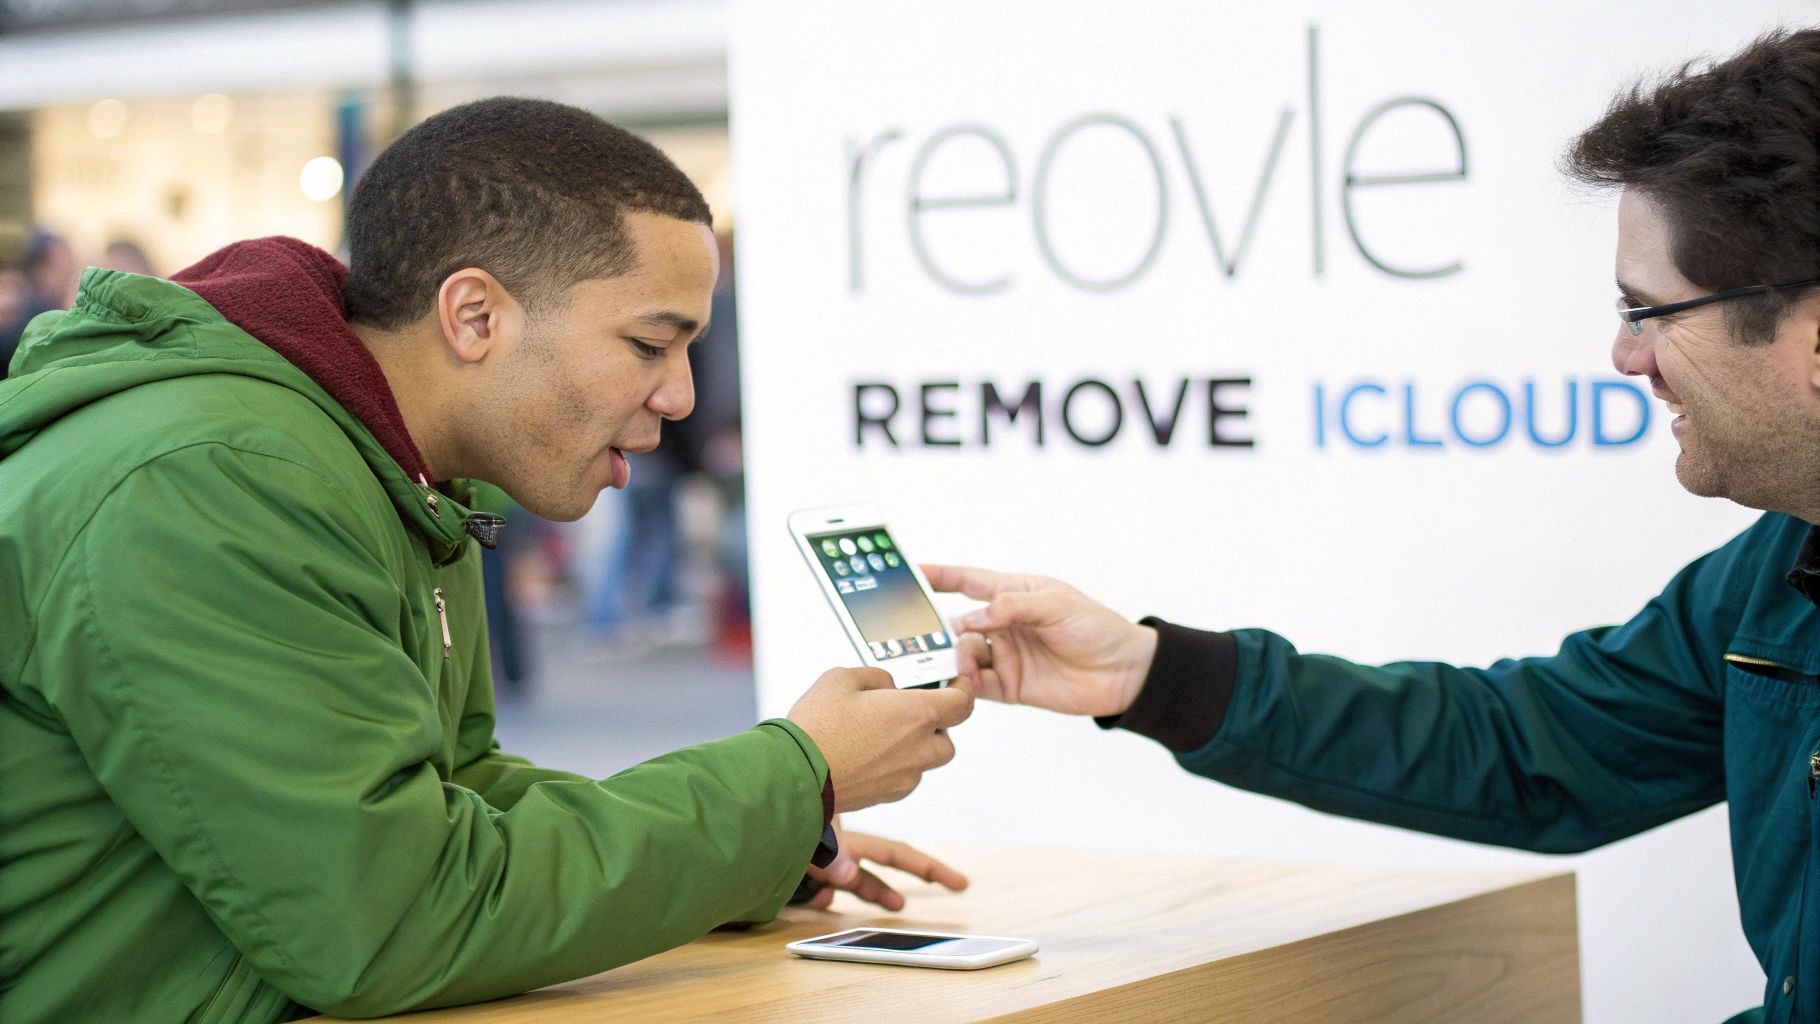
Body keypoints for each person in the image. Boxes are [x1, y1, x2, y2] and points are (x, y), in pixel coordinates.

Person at [0, 98, 973, 1024]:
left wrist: (762, 845)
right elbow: (385, 915)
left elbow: (452, 794)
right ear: (473, 317)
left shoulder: (392, 461)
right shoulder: (207, 481)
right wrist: (784, 784)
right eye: (647, 344)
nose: (678, 395)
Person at [928, 28, 1820, 1024]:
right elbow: (1527, 747)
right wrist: (1149, 673)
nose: (1624, 356)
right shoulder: (1769, 575)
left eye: (1648, 311)